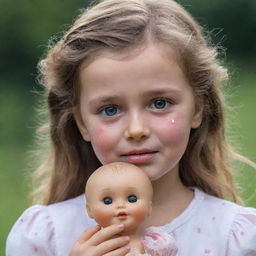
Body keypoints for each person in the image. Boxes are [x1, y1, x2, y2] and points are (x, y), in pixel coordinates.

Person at [6, 0, 256, 255]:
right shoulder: (45, 236)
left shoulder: (234, 237)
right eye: (110, 109)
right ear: (82, 123)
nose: (136, 130)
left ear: (198, 110)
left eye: (160, 103)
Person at [84, 162, 178, 255]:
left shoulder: (155, 244)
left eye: (132, 199)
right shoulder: (90, 248)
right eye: (107, 201)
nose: (120, 205)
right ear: (89, 210)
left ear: (149, 208)